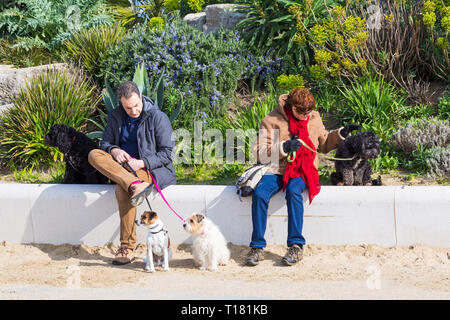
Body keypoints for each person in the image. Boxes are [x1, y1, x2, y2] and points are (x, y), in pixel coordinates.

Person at [246, 87, 359, 266]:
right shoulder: (271, 120)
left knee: (293, 192)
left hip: (302, 169)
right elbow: (260, 152)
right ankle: (257, 247)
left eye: (309, 111)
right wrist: (284, 147)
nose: (306, 115)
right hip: (277, 168)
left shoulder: (313, 118)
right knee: (260, 194)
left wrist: (340, 134)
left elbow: (324, 143)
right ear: (291, 107)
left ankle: (296, 246)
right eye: (301, 112)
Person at [88, 81, 176, 265]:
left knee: (122, 190)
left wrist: (141, 163)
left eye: (136, 105)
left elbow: (168, 153)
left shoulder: (157, 117)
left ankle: (127, 247)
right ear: (121, 104)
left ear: (141, 97)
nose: (134, 110)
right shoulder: (115, 116)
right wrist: (114, 150)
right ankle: (134, 185)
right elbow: (104, 143)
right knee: (94, 154)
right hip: (123, 169)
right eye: (128, 108)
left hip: (147, 169)